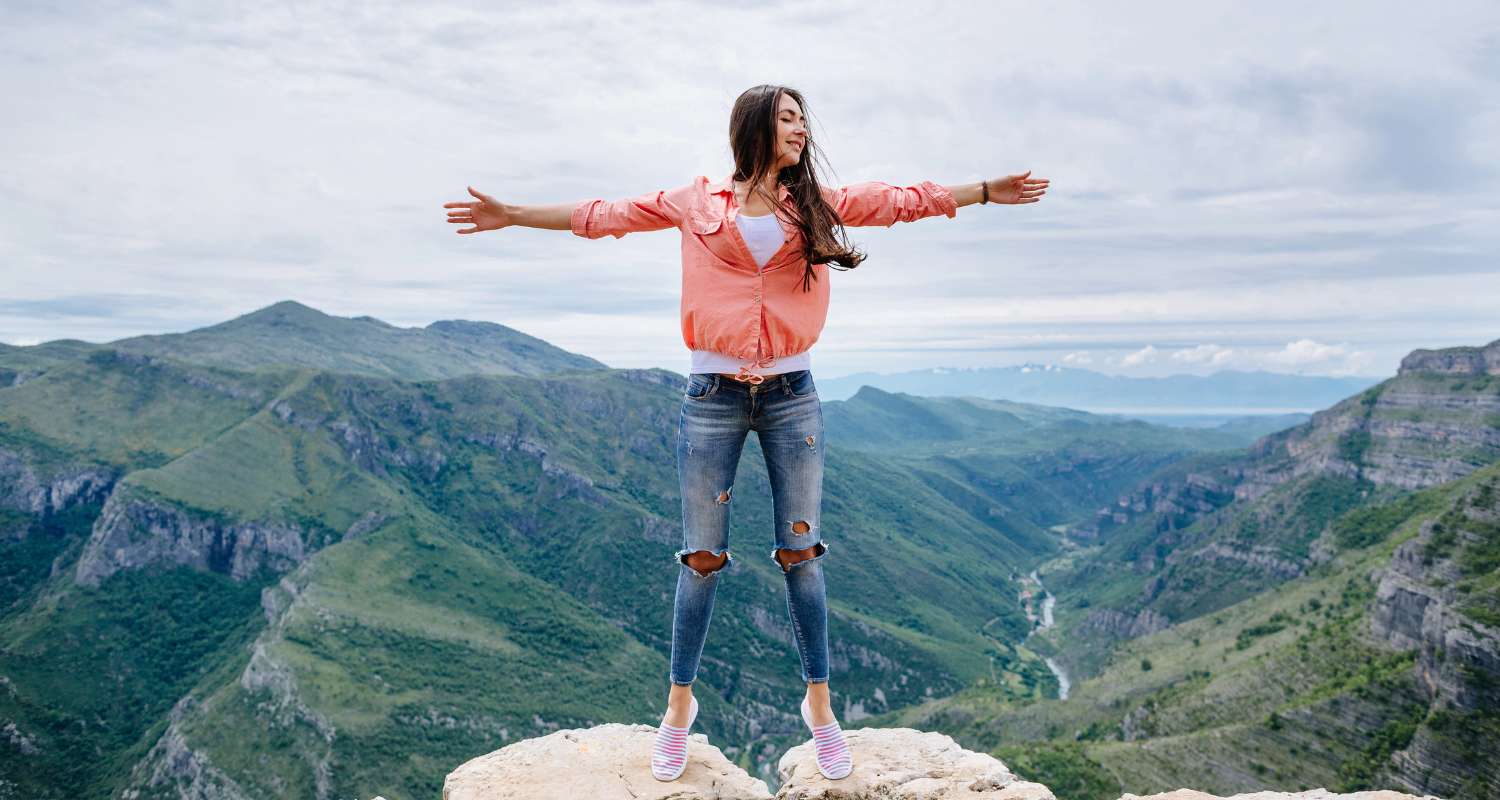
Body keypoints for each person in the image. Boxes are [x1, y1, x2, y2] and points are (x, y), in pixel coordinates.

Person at [443, 84, 1048, 783]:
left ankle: (820, 710)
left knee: (802, 553)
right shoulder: (695, 201)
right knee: (701, 557)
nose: (800, 129)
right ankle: (677, 711)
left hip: (793, 395)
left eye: (802, 119)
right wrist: (511, 214)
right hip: (713, 396)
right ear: (756, 126)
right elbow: (600, 215)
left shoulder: (814, 203)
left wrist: (979, 190)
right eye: (788, 118)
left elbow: (899, 200)